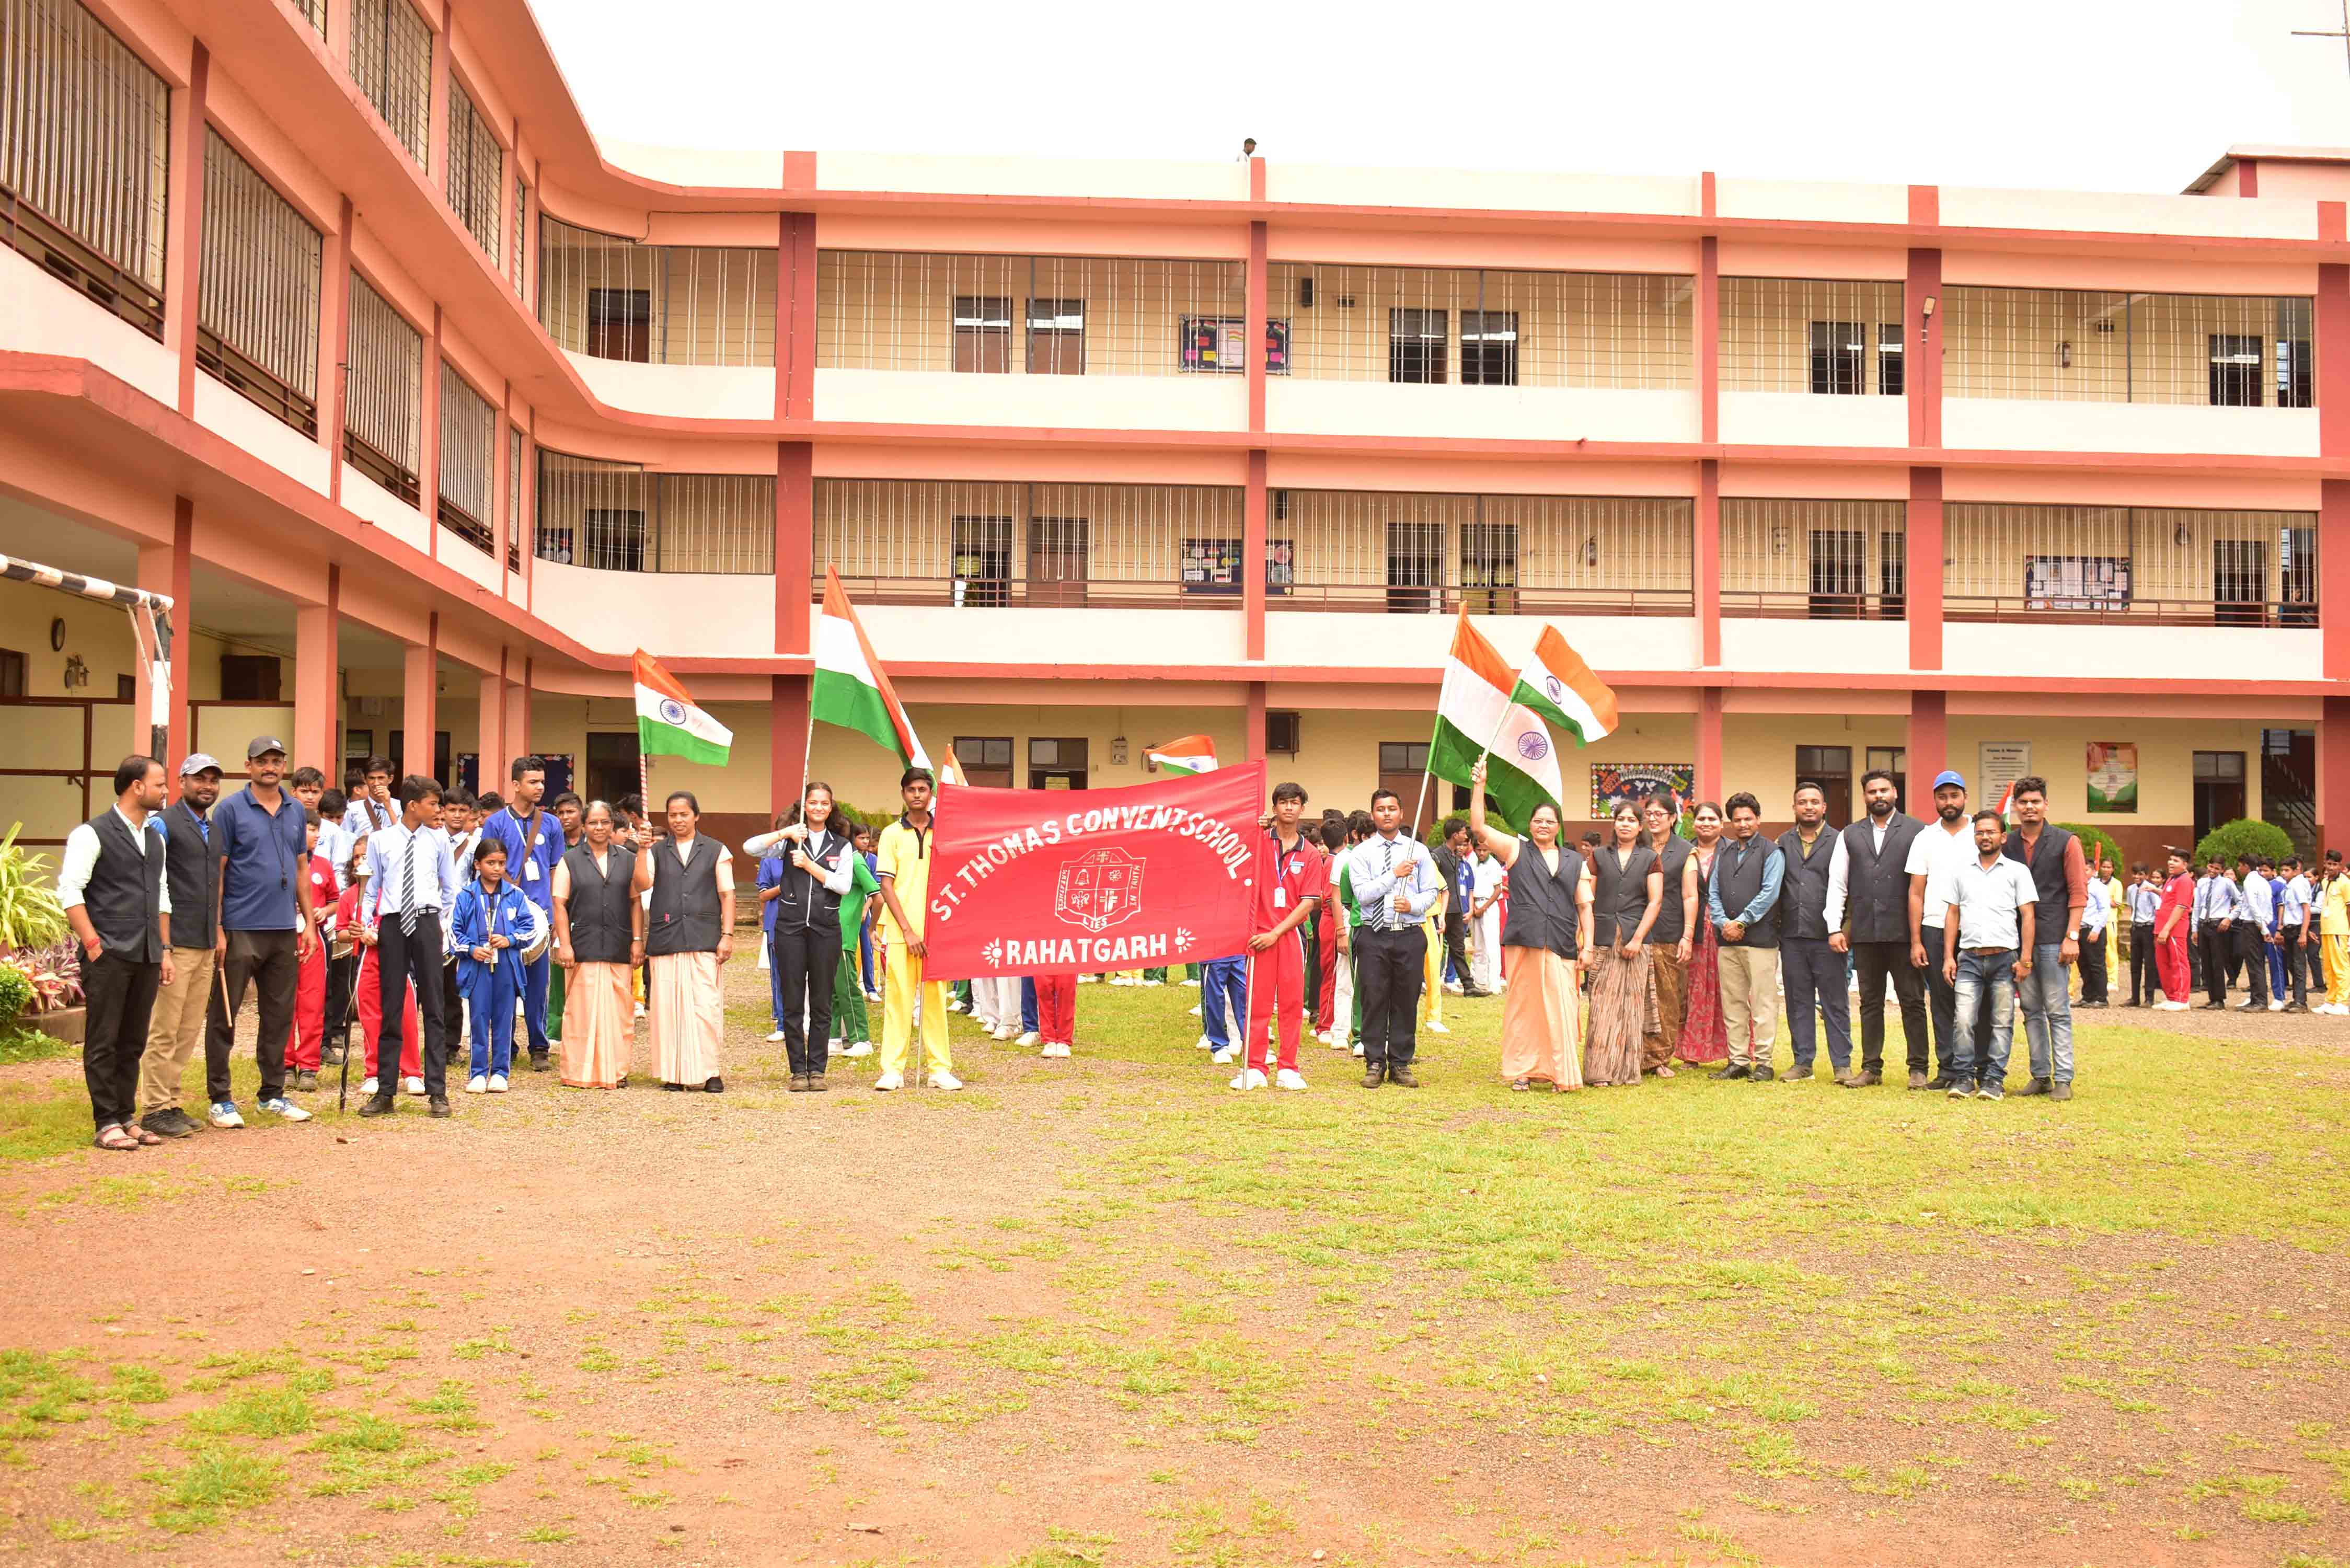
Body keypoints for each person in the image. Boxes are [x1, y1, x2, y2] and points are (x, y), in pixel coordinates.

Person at [61, 755, 172, 1151]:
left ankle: (126, 1117)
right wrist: (94, 945)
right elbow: (70, 892)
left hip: (146, 954)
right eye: (160, 784)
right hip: (107, 955)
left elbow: (161, 895)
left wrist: (164, 949)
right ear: (136, 787)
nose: (166, 790)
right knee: (103, 1040)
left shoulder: (155, 838)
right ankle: (105, 1121)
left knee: (133, 1040)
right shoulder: (91, 834)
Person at [205, 737, 319, 1127]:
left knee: (278, 1015)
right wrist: (218, 926)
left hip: (283, 927)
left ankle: (272, 1094)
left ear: (284, 765)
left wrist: (308, 924)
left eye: (276, 760)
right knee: (226, 1014)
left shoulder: (295, 810)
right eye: (262, 761)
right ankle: (220, 1099)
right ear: (248, 765)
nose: (269, 767)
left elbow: (302, 868)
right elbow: (217, 872)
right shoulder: (230, 810)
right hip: (240, 927)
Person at [1469, 763, 1584, 1092]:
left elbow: (1584, 906)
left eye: (1550, 821)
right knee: (1525, 1007)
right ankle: (1523, 1069)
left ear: (1559, 826)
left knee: (1561, 1006)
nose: (1544, 825)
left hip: (1561, 942)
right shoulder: (1517, 849)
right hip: (1525, 939)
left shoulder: (1574, 861)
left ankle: (1559, 1071)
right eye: (1538, 821)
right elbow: (1479, 827)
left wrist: (1587, 944)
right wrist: (1480, 785)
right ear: (1530, 826)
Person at [135, 754, 224, 1140]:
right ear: (181, 782)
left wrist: (218, 930)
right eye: (198, 779)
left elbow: (215, 885)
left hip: (205, 940)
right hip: (176, 942)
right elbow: (152, 885)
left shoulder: (213, 829)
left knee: (188, 1029)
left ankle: (171, 1101)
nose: (207, 786)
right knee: (164, 1029)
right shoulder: (162, 825)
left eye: (213, 780)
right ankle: (154, 1108)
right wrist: (164, 946)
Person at [361, 775, 459, 1117]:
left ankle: (437, 1091)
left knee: (433, 1005)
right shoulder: (381, 840)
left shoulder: (440, 841)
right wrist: (368, 924)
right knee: (392, 1006)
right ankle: (385, 1091)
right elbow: (371, 889)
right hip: (392, 924)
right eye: (434, 804)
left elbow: (450, 888)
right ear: (414, 805)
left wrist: (441, 925)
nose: (439, 811)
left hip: (427, 922)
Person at [747, 783, 855, 1091]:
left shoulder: (842, 845)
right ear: (804, 807)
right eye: (813, 802)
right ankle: (798, 1071)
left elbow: (843, 886)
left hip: (826, 929)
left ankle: (817, 1070)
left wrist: (810, 866)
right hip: (790, 928)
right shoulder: (792, 840)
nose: (819, 808)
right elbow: (750, 848)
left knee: (821, 1002)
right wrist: (785, 834)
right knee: (793, 1002)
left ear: (831, 807)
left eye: (824, 803)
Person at [1825, 767, 1927, 1088]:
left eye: (1884, 790)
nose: (1878, 796)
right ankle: (1871, 1068)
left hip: (1905, 933)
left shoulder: (1917, 832)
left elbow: (1925, 885)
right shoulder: (1850, 834)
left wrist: (1920, 936)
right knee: (1870, 1001)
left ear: (1895, 793)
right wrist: (1834, 926)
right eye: (1872, 792)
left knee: (1912, 1000)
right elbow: (1838, 884)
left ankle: (1919, 1068)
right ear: (1865, 797)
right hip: (1866, 933)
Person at [1234, 782, 1332, 1090]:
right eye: (1283, 803)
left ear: (1303, 809)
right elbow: (1231, 846)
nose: (1289, 808)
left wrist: (1277, 933)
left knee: (1291, 1005)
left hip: (1289, 937)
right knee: (1257, 1004)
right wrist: (1253, 825)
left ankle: (1288, 1067)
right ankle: (1255, 1067)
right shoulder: (1258, 843)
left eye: (1294, 803)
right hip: (1258, 937)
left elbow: (1309, 902)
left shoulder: (1311, 854)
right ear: (1274, 808)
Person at [633, 790, 732, 1092]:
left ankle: (710, 1071)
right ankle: (673, 1073)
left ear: (696, 816)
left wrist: (727, 935)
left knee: (705, 1007)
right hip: (667, 938)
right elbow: (640, 885)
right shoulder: (657, 851)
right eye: (673, 815)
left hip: (705, 939)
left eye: (684, 814)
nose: (678, 820)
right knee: (668, 1009)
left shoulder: (717, 850)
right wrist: (640, 850)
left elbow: (727, 894)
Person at [1338, 787, 1432, 1091]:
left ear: (1402, 813)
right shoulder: (1361, 853)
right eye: (1381, 809)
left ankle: (1401, 1063)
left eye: (1392, 808)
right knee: (1374, 998)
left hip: (1409, 934)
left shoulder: (1418, 851)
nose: (1387, 814)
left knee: (1406, 1000)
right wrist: (1394, 874)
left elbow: (1431, 891)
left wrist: (1413, 904)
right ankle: (1375, 1062)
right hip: (1373, 934)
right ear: (1373, 815)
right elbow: (1363, 895)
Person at [1941, 810, 2040, 1101]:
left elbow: (2028, 916)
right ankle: (1964, 1078)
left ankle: (1994, 1081)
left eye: (1991, 832)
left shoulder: (2017, 872)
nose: (1985, 837)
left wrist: (2026, 959)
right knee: (1963, 1020)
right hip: (1969, 958)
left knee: (2002, 1022)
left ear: (2003, 837)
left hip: (2004, 960)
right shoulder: (1961, 871)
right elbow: (1953, 914)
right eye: (1980, 832)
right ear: (1975, 837)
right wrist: (1949, 956)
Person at [477, 757, 563, 1071]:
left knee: (538, 985)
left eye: (542, 782)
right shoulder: (496, 823)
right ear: (516, 785)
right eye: (533, 782)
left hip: (539, 914)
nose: (540, 787)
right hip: (503, 912)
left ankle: (539, 1046)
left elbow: (555, 870)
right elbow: (486, 871)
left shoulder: (552, 824)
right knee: (504, 982)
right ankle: (506, 1044)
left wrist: (554, 912)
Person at [2000, 778, 2084, 1100]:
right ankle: (2041, 1075)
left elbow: (2078, 892)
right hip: (2017, 938)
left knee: (2057, 1009)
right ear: (2016, 807)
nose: (2030, 807)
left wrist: (2072, 937)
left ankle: (2063, 1078)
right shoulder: (2007, 844)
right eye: (2023, 802)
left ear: (2046, 804)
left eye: (2036, 801)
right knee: (2031, 1010)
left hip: (2053, 937)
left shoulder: (2066, 842)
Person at [874, 768, 958, 1092]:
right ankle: (893, 1070)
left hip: (937, 931)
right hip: (901, 932)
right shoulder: (892, 834)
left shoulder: (946, 833)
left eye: (923, 789)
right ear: (904, 794)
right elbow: (886, 884)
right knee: (899, 1000)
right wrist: (908, 931)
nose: (918, 795)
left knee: (936, 1000)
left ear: (931, 793)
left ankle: (940, 1069)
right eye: (912, 789)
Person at [551, 801, 638, 1090]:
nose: (599, 828)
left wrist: (638, 940)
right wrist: (565, 944)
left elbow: (637, 901)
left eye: (605, 822)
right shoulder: (570, 860)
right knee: (581, 1012)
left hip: (619, 943)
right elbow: (559, 904)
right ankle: (580, 1071)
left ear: (613, 825)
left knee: (619, 1011)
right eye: (593, 823)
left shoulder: (628, 859)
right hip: (583, 945)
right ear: (584, 826)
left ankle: (616, 1071)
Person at [452, 838, 546, 1093]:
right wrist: (472, 949)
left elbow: (530, 928)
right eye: (490, 863)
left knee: (505, 1018)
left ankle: (501, 1072)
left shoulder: (515, 895)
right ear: (478, 864)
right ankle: (478, 1073)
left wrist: (510, 939)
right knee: (479, 1017)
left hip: (506, 965)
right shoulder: (466, 896)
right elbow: (454, 933)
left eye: (501, 863)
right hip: (477, 966)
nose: (496, 868)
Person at [1905, 770, 1977, 1088]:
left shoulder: (1981, 830)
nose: (1949, 802)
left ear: (1965, 797)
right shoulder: (1925, 837)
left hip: (1978, 929)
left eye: (1954, 796)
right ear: (1935, 800)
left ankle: (1978, 1069)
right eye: (1942, 797)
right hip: (1934, 928)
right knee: (1942, 1001)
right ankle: (1948, 1069)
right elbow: (1916, 892)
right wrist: (1916, 940)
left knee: (1979, 1002)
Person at [1773, 782, 1849, 1085]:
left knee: (1835, 1002)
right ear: (1794, 807)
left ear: (1824, 808)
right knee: (1798, 1001)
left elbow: (1850, 888)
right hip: (1792, 935)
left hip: (1828, 936)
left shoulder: (1840, 841)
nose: (1808, 807)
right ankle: (1803, 1062)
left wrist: (1844, 930)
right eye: (1802, 802)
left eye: (1814, 802)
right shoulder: (1782, 842)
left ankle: (1842, 1064)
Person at [1582, 801, 1661, 1088]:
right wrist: (1586, 940)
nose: (1625, 824)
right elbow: (1586, 899)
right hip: (1603, 936)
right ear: (1614, 824)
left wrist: (1638, 938)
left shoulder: (1650, 857)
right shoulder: (1600, 856)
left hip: (1637, 940)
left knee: (1632, 1005)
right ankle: (1599, 1072)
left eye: (1632, 820)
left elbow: (1655, 901)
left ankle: (1628, 1072)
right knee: (1602, 1005)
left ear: (1641, 827)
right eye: (1621, 819)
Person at [1707, 793, 1784, 1082]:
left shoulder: (1771, 852)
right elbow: (1713, 892)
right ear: (1731, 823)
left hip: (1760, 941)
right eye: (1737, 820)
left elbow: (1770, 893)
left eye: (1748, 819)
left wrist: (1741, 921)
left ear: (1758, 820)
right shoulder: (1723, 853)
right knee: (1733, 1002)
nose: (1742, 824)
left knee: (1763, 1002)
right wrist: (1723, 922)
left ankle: (1764, 1061)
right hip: (1727, 941)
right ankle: (1738, 1060)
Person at [338, 838, 421, 1095]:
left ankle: (412, 1072)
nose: (362, 862)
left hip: (398, 958)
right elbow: (341, 933)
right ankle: (374, 1071)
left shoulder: (397, 890)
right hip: (368, 960)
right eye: (357, 858)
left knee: (406, 1014)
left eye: (367, 857)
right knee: (371, 1017)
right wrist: (356, 933)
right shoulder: (350, 896)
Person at [1636, 793, 1694, 1077]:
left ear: (1672, 818)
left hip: (1669, 931)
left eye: (1660, 814)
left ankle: (1659, 1058)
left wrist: (1688, 935)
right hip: (1635, 932)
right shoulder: (1636, 845)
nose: (1653, 818)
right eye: (1649, 813)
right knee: (1638, 997)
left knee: (1667, 998)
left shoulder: (1684, 851)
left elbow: (1690, 895)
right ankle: (1634, 1054)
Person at [286, 809, 337, 1090]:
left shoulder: (324, 866)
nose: (316, 834)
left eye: (318, 830)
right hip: (282, 937)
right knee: (284, 1003)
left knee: (312, 1003)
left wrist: (322, 911)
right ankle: (284, 1063)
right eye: (310, 829)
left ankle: (308, 1066)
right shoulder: (281, 860)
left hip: (312, 939)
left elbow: (336, 901)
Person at [1676, 802, 1729, 1066]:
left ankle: (1735, 1053)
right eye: (1701, 818)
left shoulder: (1733, 851)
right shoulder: (1686, 851)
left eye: (1712, 818)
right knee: (1692, 990)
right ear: (1693, 823)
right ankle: (1691, 1052)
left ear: (1722, 823)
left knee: (1727, 990)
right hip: (1692, 929)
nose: (1706, 823)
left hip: (1725, 930)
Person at [827, 834, 881, 1059]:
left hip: (844, 934)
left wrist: (871, 927)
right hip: (827, 932)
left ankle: (861, 1038)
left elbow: (877, 895)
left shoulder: (856, 861)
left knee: (848, 987)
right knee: (832, 989)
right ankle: (834, 1038)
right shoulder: (833, 858)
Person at [546, 790, 583, 1047]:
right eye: (561, 813)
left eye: (571, 812)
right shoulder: (551, 844)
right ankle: (555, 1030)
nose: (565, 817)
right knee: (558, 974)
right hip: (559, 914)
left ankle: (581, 1026)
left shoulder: (592, 843)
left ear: (582, 813)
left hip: (586, 915)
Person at [1431, 818, 1483, 998]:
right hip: (1440, 910)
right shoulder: (1436, 856)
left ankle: (1469, 986)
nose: (1465, 835)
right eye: (1462, 832)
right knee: (1436, 949)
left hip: (1457, 910)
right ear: (1455, 835)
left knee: (1458, 949)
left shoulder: (1457, 856)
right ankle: (1431, 983)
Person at [754, 820, 790, 1043]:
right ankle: (781, 1021)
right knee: (778, 973)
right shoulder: (769, 860)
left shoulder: (805, 857)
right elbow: (763, 895)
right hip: (777, 921)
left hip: (804, 921)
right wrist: (784, 887)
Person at [2226, 852, 2274, 1014]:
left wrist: (2263, 928)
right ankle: (2256, 998)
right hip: (2260, 923)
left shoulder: (2249, 882)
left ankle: (2260, 1000)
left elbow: (2253, 907)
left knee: (2255, 963)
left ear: (2246, 866)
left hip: (2253, 925)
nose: (2239, 869)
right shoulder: (2263, 882)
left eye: (2240, 866)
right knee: (2255, 962)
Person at [2152, 848, 2196, 1012]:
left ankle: (2182, 999)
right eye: (2171, 860)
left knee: (2178, 962)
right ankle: (2171, 997)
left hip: (2174, 929)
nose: (2171, 863)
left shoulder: (2185, 881)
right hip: (2161, 927)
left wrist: (2167, 929)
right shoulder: (2171, 879)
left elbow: (2180, 906)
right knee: (2164, 964)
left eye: (2176, 861)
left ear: (2185, 865)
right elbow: (2168, 898)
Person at [2195, 855, 2237, 1009]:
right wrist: (2195, 928)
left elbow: (2241, 902)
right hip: (2204, 923)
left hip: (2218, 924)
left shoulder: (2227, 884)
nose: (2213, 871)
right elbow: (2198, 906)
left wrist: (2229, 918)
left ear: (2222, 870)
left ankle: (2219, 999)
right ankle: (2212, 997)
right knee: (2206, 962)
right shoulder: (2202, 883)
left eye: (2217, 869)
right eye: (2211, 867)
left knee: (2217, 962)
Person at [1470, 838, 1507, 997]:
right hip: (1475, 904)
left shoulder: (1494, 866)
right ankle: (1480, 981)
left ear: (1490, 850)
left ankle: (1494, 983)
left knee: (1492, 945)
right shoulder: (1472, 862)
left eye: (1485, 850)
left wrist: (1484, 908)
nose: (1482, 853)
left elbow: (1498, 890)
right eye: (1479, 850)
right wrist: (1474, 908)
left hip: (1489, 905)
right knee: (1478, 946)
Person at [2276, 855, 2312, 1013]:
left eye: (2287, 870)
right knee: (2291, 964)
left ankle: (2301, 1002)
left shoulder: (2298, 885)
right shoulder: (2288, 886)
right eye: (2282, 870)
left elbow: (2306, 909)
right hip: (2289, 929)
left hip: (2297, 929)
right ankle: (2296, 998)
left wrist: (2304, 933)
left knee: (2298, 966)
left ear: (2296, 870)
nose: (2284, 873)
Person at [2317, 848, 2350, 1014]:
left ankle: (2343, 1002)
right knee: (2329, 967)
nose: (2331, 867)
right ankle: (2330, 1000)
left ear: (2340, 865)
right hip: (2326, 930)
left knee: (2341, 966)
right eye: (2328, 864)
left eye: (2335, 864)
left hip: (2340, 930)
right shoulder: (2325, 882)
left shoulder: (2345, 883)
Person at [2124, 863, 2162, 1007]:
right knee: (2135, 964)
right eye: (2134, 874)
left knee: (2149, 964)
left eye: (2140, 874)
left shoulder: (2151, 890)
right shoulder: (2131, 889)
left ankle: (2149, 998)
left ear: (2146, 875)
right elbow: (2132, 907)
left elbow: (2157, 909)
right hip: (2136, 927)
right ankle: (2134, 997)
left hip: (2148, 927)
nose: (2137, 877)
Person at [2075, 861, 2111, 1008]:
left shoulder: (2098, 887)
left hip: (2093, 929)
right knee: (2083, 964)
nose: (2084, 872)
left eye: (2087, 870)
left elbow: (2104, 910)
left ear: (2093, 871)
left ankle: (2102, 997)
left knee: (2096, 964)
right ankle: (2088, 996)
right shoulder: (2077, 885)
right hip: (2080, 929)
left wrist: (2096, 930)